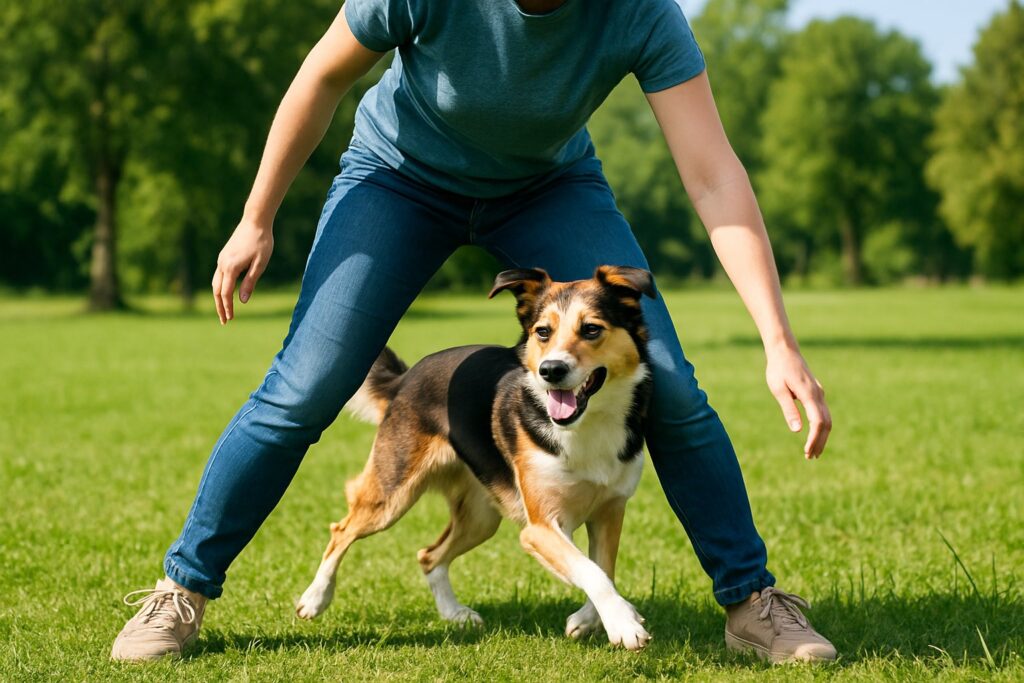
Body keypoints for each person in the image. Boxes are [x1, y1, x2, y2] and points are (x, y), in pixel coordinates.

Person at [111, 0, 835, 664]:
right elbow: (321, 76)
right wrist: (255, 216)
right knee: (305, 385)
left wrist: (778, 339)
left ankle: (751, 601)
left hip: (547, 186)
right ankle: (183, 589)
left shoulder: (638, 10)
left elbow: (712, 174)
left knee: (668, 384)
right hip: (398, 178)